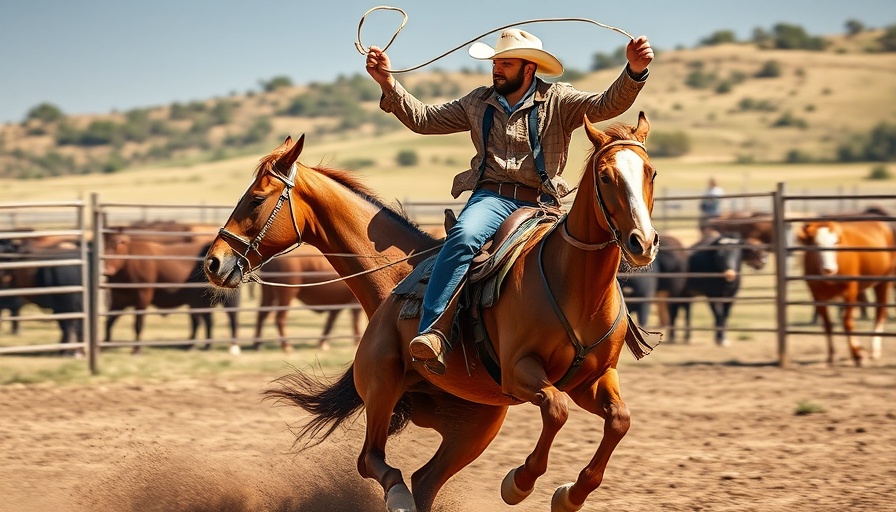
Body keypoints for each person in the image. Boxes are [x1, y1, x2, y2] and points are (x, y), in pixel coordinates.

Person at [366, 28, 653, 375]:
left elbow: (607, 104)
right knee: (463, 238)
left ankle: (605, 333)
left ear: (529, 69)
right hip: (491, 199)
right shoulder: (477, 102)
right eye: (496, 63)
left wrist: (634, 71)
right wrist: (387, 83)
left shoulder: (559, 100)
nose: (496, 69)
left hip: (542, 205)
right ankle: (434, 331)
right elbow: (424, 120)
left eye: (505, 63)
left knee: (586, 250)